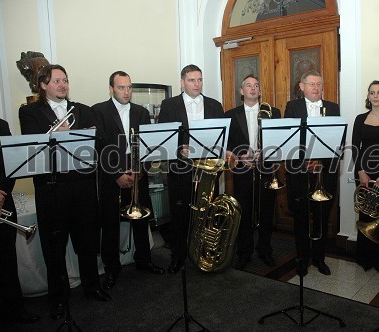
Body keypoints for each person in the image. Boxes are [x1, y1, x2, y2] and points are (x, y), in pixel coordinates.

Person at [18, 64, 110, 321]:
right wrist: (53, 137)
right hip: (52, 189)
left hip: (82, 189)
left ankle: (92, 286)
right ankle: (58, 298)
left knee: (87, 241)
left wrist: (89, 136)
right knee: (54, 247)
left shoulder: (81, 110)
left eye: (65, 80)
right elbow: (29, 145)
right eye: (57, 81)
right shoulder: (29, 112)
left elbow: (100, 140)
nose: (63, 85)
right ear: (43, 84)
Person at [93, 71, 165, 290]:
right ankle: (112, 269)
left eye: (129, 87)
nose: (126, 92)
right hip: (110, 177)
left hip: (136, 174)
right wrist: (116, 174)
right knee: (110, 224)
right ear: (111, 88)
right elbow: (98, 147)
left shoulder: (141, 112)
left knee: (141, 221)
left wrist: (137, 171)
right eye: (121, 87)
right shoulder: (97, 111)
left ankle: (144, 260)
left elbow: (146, 144)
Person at [157, 64, 225, 274]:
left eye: (199, 80)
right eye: (191, 80)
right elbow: (163, 138)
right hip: (181, 169)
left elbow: (223, 138)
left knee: (206, 215)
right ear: (182, 82)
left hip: (208, 170)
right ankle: (178, 257)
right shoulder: (168, 104)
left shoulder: (215, 105)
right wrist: (179, 149)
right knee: (180, 215)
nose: (197, 84)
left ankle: (204, 255)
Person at [284, 70, 340, 276]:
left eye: (319, 84)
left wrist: (321, 161)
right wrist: (305, 160)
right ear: (302, 86)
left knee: (322, 217)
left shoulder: (333, 108)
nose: (317, 88)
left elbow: (337, 141)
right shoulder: (292, 107)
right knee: (300, 217)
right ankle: (302, 257)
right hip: (300, 171)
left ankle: (319, 258)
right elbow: (288, 138)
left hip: (324, 172)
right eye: (312, 84)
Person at [225, 74, 281, 270]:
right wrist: (240, 158)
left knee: (267, 212)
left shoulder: (273, 112)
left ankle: (265, 250)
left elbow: (279, 140)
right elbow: (227, 145)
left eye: (256, 85)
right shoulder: (230, 114)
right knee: (244, 212)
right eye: (248, 85)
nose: (253, 88)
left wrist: (265, 153)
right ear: (242, 91)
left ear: (260, 90)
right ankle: (244, 252)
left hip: (266, 169)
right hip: (242, 170)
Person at [0, 116, 40, 327]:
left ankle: (12, 310)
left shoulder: (0, 125)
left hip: (1, 200)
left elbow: (11, 164)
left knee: (5, 260)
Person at [351, 80, 379, 272]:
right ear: (368, 96)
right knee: (366, 213)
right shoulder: (360, 119)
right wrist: (361, 171)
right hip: (363, 172)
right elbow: (355, 147)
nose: (376, 96)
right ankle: (365, 257)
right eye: (372, 92)